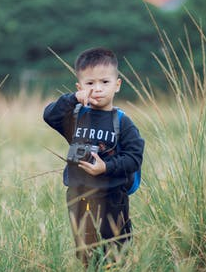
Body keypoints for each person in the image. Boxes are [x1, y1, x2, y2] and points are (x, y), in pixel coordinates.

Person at [43, 47, 144, 267]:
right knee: (86, 253)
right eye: (90, 84)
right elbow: (49, 116)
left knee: (116, 251)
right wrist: (73, 99)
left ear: (117, 85)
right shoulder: (76, 116)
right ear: (80, 87)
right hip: (78, 195)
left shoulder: (122, 122)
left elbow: (134, 158)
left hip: (112, 197)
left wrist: (106, 167)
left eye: (105, 82)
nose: (97, 89)